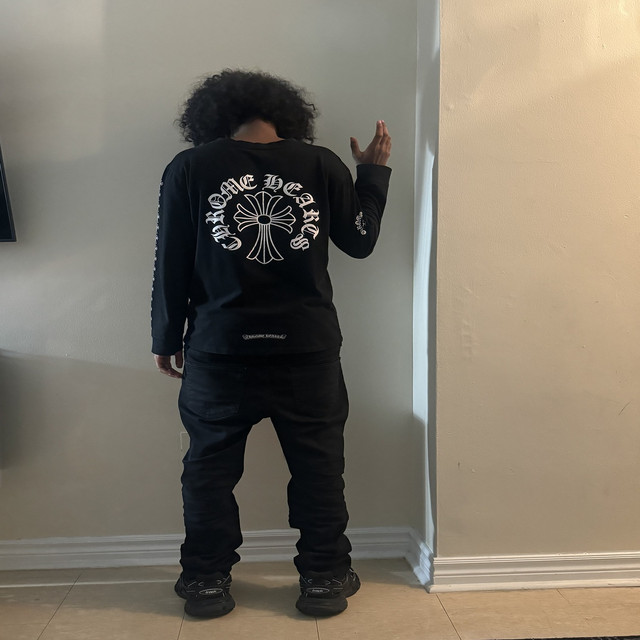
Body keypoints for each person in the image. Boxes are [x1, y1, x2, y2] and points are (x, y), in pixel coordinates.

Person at [151, 69, 391, 619]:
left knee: (208, 470)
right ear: (287, 113)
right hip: (307, 349)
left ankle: (206, 581)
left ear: (211, 115)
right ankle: (325, 578)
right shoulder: (321, 164)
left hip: (218, 349)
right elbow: (360, 241)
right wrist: (372, 175)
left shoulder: (189, 167)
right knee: (318, 468)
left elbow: (172, 259)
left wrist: (165, 336)